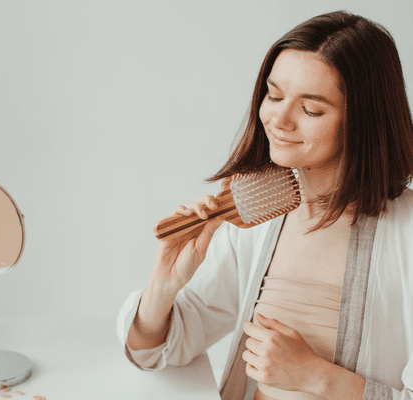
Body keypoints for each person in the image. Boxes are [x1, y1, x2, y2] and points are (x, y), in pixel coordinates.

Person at [117, 10, 413, 400]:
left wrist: (316, 377)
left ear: (365, 121)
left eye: (311, 109)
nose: (278, 119)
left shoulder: (406, 233)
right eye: (273, 95)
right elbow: (155, 351)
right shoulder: (258, 218)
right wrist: (163, 286)